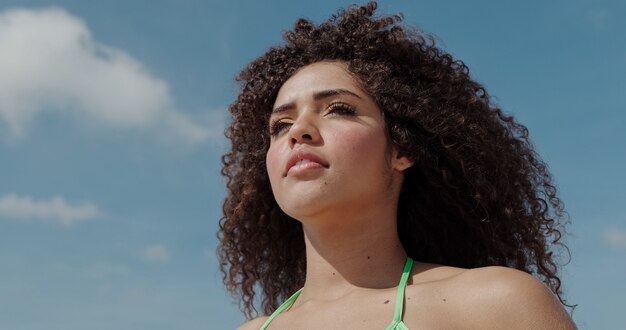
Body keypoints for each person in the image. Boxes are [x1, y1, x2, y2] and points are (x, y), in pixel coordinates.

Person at [218, 2, 576, 329]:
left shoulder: (497, 305)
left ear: (401, 149)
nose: (298, 131)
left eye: (339, 109)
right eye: (280, 126)